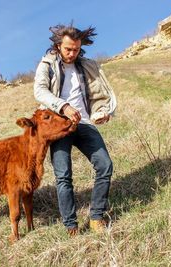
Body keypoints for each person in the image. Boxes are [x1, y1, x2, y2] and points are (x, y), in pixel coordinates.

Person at [33, 24, 117, 236]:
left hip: (84, 124)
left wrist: (103, 112)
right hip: (59, 126)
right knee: (64, 176)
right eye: (68, 49)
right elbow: (40, 91)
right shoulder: (47, 64)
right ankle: (71, 225)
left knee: (105, 165)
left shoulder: (88, 66)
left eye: (76, 49)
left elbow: (101, 95)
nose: (72, 53)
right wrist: (63, 106)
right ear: (58, 45)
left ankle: (96, 217)